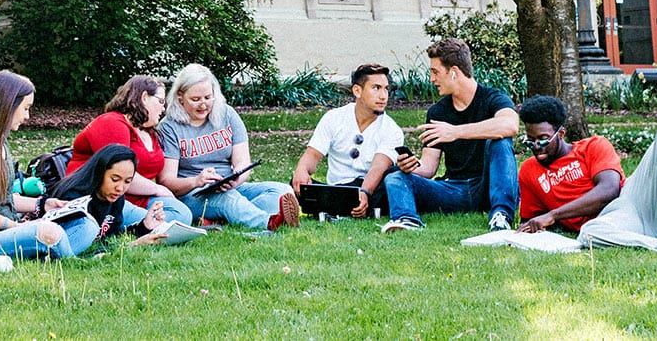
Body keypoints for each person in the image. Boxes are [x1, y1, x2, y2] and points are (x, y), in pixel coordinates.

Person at [516, 95, 657, 256]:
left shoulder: (593, 146)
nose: (536, 147)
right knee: (589, 233)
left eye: (542, 139)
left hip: (633, 200)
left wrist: (553, 215)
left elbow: (609, 190)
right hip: (614, 225)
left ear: (560, 134)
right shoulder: (528, 171)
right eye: (530, 141)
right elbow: (530, 218)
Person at [382, 38, 519, 234]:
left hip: (488, 186)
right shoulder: (437, 112)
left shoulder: (493, 98)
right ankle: (407, 219)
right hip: (454, 190)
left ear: (453, 72)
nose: (431, 79)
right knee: (396, 177)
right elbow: (428, 167)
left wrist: (455, 132)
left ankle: (501, 216)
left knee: (500, 139)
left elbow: (510, 125)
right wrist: (411, 167)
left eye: (435, 72)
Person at [0, 70, 78, 259]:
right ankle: (71, 258)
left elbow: (3, 198)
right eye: (26, 108)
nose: (27, 116)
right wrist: (16, 227)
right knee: (48, 231)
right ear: (8, 104)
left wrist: (43, 204)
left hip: (3, 233)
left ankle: (51, 247)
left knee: (84, 224)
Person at [157, 63, 301, 232]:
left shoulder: (227, 114)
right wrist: (197, 181)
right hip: (193, 195)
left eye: (208, 97)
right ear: (180, 96)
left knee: (281, 190)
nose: (203, 104)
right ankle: (268, 223)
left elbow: (242, 162)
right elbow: (166, 181)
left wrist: (235, 179)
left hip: (230, 187)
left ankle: (226, 216)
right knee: (228, 200)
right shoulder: (169, 127)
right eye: (195, 100)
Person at [63, 76, 194, 226]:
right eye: (161, 101)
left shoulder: (149, 132)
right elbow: (119, 173)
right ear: (144, 97)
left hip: (137, 198)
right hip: (104, 199)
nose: (163, 108)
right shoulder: (111, 123)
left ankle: (145, 224)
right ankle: (133, 226)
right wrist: (157, 189)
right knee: (176, 218)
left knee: (181, 213)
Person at [291, 63, 403, 218]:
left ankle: (332, 208)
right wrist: (301, 170)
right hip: (337, 188)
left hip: (370, 189)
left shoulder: (392, 129)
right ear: (357, 91)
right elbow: (313, 154)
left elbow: (379, 167)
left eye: (386, 89)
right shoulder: (334, 118)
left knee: (394, 175)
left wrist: (364, 192)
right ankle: (343, 206)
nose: (383, 96)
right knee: (298, 184)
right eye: (376, 88)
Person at [48, 144, 171, 252]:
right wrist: (132, 245)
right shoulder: (74, 197)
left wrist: (144, 226)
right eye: (115, 179)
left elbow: (111, 237)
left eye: (127, 181)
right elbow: (77, 249)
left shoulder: (115, 198)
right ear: (99, 173)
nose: (120, 188)